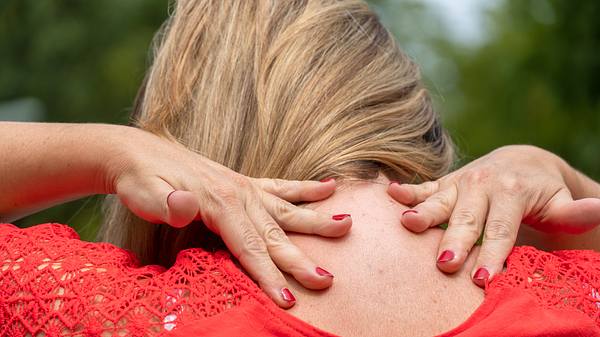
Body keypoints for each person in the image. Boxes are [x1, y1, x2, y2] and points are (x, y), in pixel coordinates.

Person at [1, 0, 599, 336]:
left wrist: (112, 151)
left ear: (194, 127)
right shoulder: (579, 296)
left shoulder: (113, 314)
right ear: (409, 111)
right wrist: (567, 183)